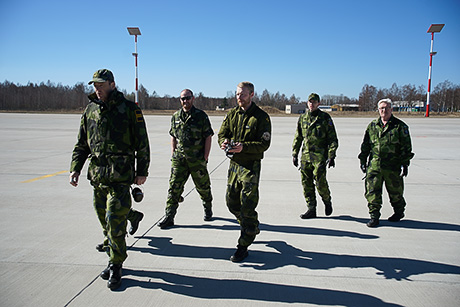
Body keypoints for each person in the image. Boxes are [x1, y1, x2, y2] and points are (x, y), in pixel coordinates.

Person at [69, 69, 150, 290]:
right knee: (104, 219)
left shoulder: (129, 110)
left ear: (112, 85)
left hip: (121, 176)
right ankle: (118, 244)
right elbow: (82, 144)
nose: (97, 89)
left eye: (101, 85)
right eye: (95, 85)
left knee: (114, 218)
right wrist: (75, 168)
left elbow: (142, 143)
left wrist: (141, 171)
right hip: (98, 177)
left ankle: (115, 264)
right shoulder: (90, 110)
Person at [218, 81, 271, 262]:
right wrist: (224, 143)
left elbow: (264, 143)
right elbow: (222, 134)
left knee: (247, 205)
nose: (239, 97)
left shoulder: (261, 117)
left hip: (250, 166)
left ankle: (243, 244)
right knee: (231, 202)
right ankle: (252, 225)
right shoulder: (232, 115)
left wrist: (244, 147)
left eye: (242, 94)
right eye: (237, 94)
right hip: (234, 166)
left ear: (252, 95)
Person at [158, 89, 214, 229]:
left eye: (188, 98)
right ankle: (169, 216)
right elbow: (173, 135)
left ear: (193, 99)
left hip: (197, 160)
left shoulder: (201, 116)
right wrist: (173, 152)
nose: (185, 101)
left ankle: (207, 207)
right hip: (180, 160)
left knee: (203, 187)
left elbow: (208, 136)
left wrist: (205, 156)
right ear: (180, 100)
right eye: (183, 98)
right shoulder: (175, 116)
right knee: (174, 188)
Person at [358, 98, 414, 227]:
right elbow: (366, 145)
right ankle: (374, 216)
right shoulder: (372, 126)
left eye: (387, 108)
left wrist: (405, 164)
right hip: (374, 165)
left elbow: (406, 147)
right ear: (378, 110)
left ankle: (399, 212)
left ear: (391, 109)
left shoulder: (400, 126)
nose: (384, 110)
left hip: (392, 166)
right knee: (372, 192)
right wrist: (362, 160)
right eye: (381, 108)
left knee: (396, 193)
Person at [292, 93, 338, 219]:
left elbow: (332, 139)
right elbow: (298, 137)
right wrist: (295, 153)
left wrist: (332, 155)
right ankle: (311, 208)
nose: (312, 104)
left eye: (314, 102)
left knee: (320, 182)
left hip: (320, 157)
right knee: (306, 184)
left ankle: (327, 201)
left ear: (319, 103)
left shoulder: (325, 118)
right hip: (305, 157)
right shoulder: (303, 118)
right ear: (307, 103)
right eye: (310, 102)